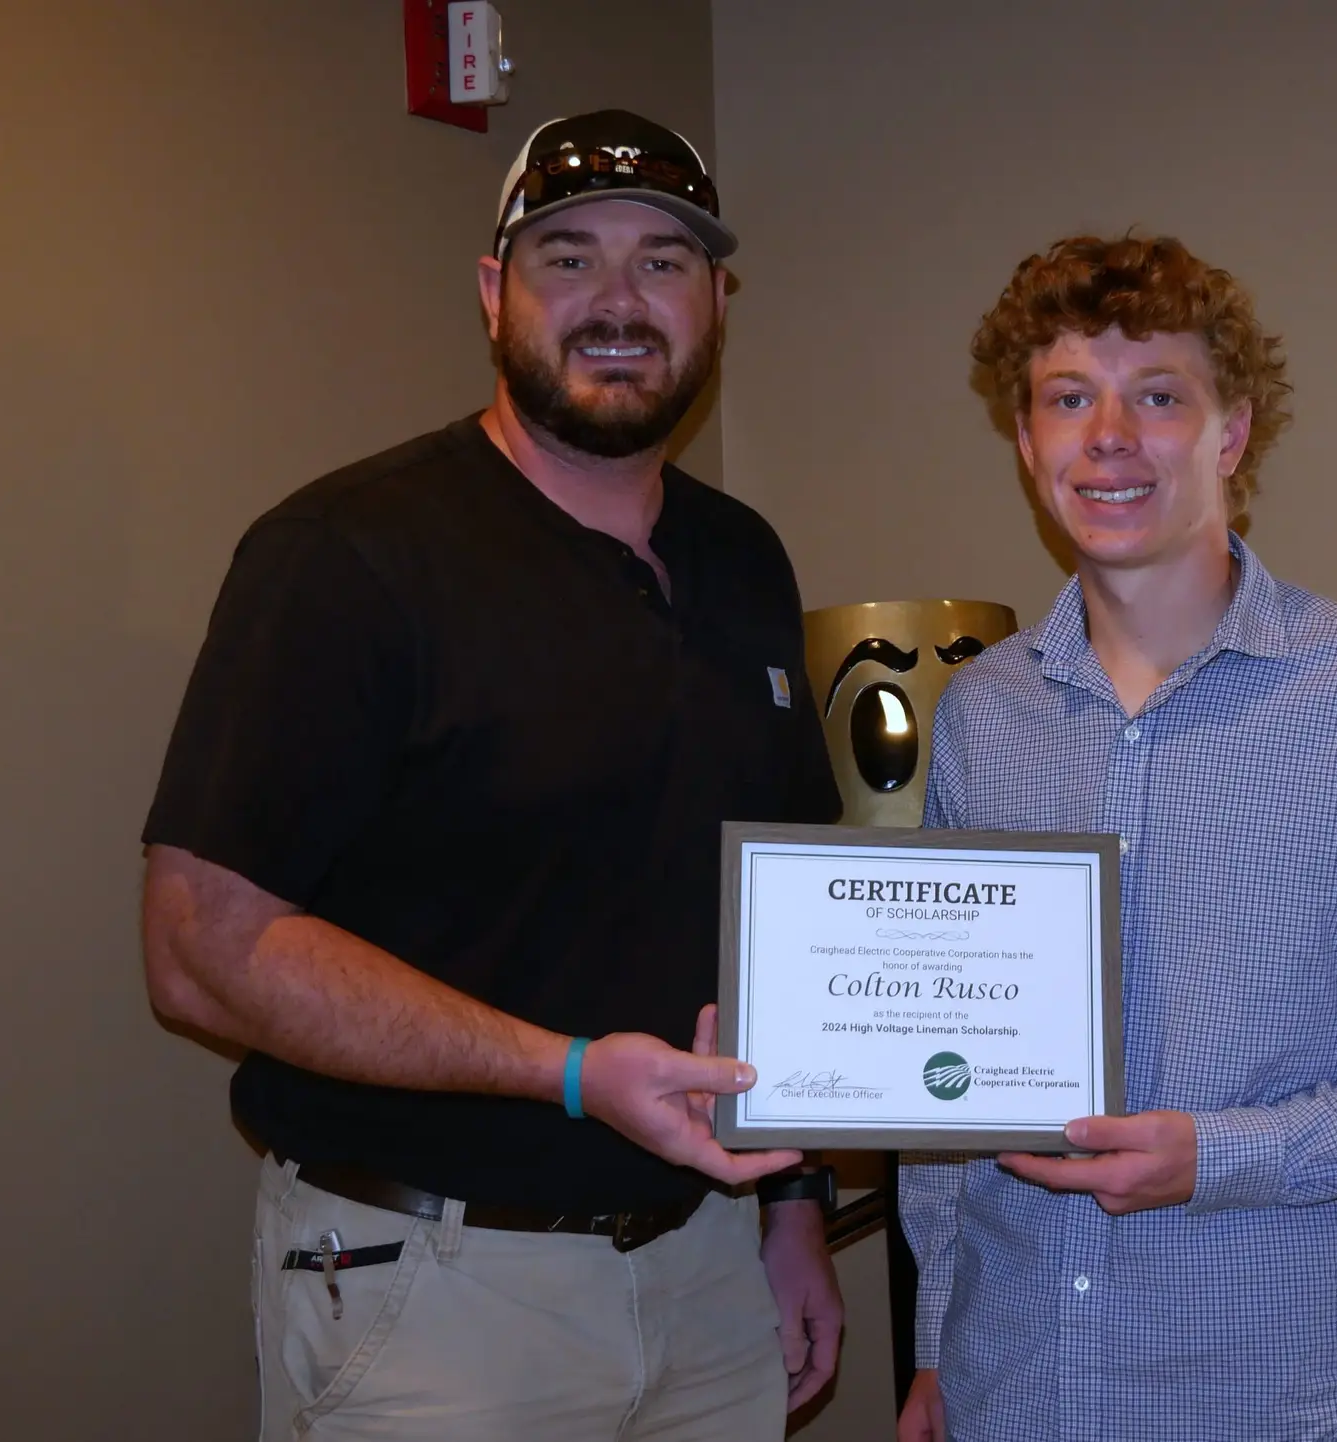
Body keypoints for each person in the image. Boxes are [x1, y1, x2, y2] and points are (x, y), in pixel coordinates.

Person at [141, 109, 844, 1442]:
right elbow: (196, 948)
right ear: (492, 293)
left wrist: (792, 1213)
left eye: (664, 263)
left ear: (716, 303)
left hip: (707, 1274)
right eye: (568, 258)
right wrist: (569, 1072)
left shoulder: (745, 560)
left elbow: (782, 919)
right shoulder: (348, 554)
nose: (619, 302)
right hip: (439, 1295)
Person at [896, 234, 1337, 1442]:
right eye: (1067, 398)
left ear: (1232, 433)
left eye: (1159, 396)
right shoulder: (985, 714)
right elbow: (949, 1066)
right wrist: (939, 1339)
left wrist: (1224, 1153)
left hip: (1283, 1394)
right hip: (1019, 1384)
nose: (1109, 436)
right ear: (1028, 439)